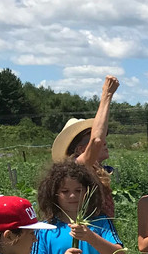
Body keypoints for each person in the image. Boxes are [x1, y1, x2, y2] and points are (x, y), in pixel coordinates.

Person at [50, 76, 120, 219]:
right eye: (90, 138)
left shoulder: (95, 170)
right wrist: (106, 95)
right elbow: (97, 141)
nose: (103, 142)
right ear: (81, 149)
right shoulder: (78, 168)